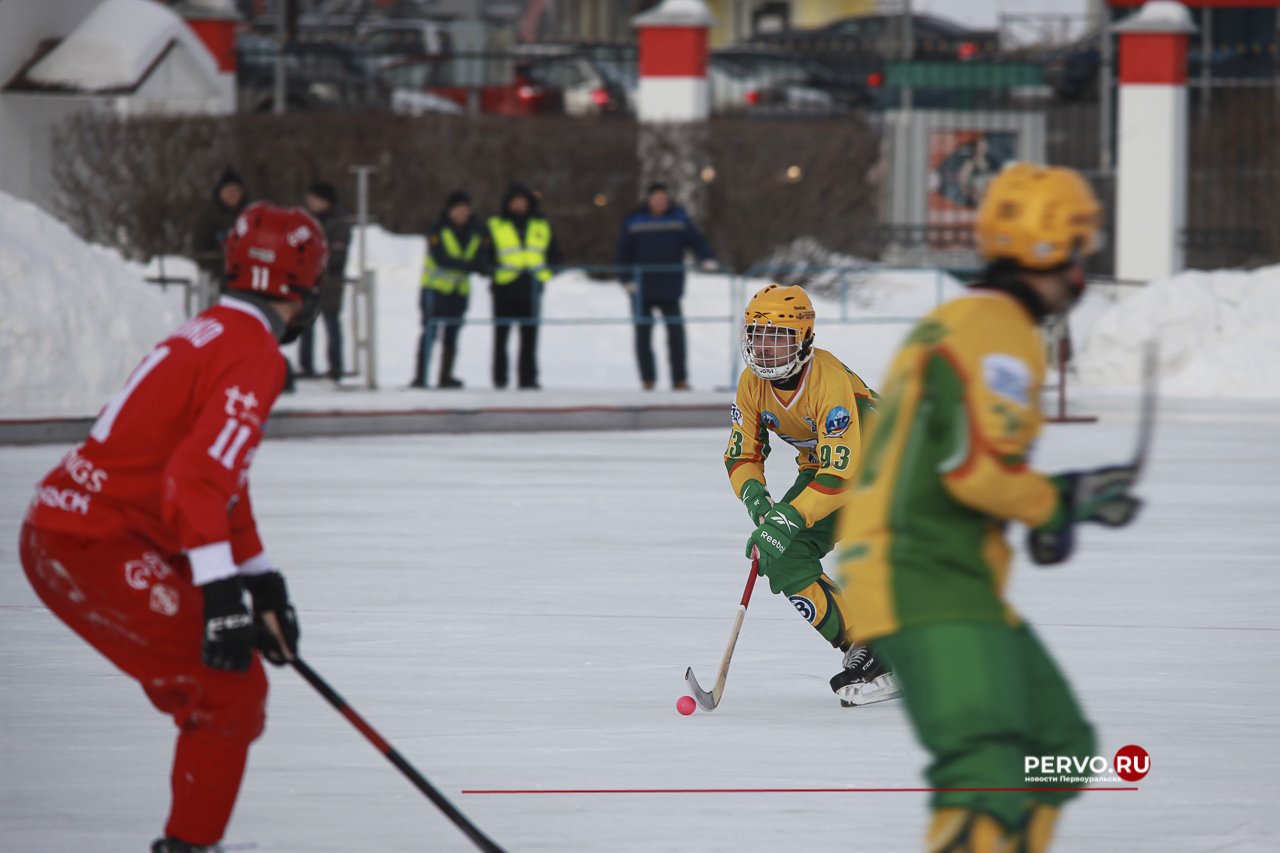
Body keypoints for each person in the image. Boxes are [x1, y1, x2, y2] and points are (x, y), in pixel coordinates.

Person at [837, 163, 1141, 852]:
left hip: (950, 573)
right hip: (925, 579)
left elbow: (959, 458)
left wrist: (1051, 506)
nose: (1081, 272)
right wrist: (1058, 503)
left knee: (1062, 744)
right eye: (1077, 251)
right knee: (989, 773)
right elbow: (977, 471)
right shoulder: (1000, 329)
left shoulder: (965, 320)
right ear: (1046, 251)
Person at [19, 202, 327, 853]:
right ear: (304, 288)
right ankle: (189, 846)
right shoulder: (257, 355)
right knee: (230, 692)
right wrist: (220, 594)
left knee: (229, 683)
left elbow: (221, 480)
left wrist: (259, 580)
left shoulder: (209, 330)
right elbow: (194, 480)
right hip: (91, 543)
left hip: (74, 532)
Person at [728, 283, 899, 707]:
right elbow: (741, 453)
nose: (765, 348)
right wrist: (759, 503)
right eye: (757, 335)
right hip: (831, 474)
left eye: (777, 337)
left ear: (804, 338)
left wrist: (787, 518)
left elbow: (843, 471)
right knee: (782, 556)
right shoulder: (751, 383)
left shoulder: (826, 379)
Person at [614, 183, 718, 390]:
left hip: (670, 287)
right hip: (641, 288)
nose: (660, 202)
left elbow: (696, 241)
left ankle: (679, 379)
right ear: (649, 200)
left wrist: (707, 258)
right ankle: (648, 380)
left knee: (676, 335)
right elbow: (622, 253)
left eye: (664, 198)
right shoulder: (634, 220)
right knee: (643, 336)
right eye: (656, 198)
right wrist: (627, 279)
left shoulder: (678, 218)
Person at [486, 182, 561, 390]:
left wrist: (544, 275)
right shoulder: (495, 225)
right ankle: (500, 378)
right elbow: (486, 254)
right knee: (501, 337)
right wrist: (491, 270)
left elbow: (554, 254)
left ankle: (528, 378)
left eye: (523, 201)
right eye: (515, 201)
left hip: (531, 288)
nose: (519, 205)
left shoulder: (541, 224)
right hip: (504, 287)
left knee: (529, 337)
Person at [412, 190, 487, 389]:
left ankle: (446, 375)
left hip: (459, 290)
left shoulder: (476, 231)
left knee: (453, 333)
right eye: (458, 209)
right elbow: (440, 257)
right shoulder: (437, 229)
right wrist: (470, 266)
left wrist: (482, 265)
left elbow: (482, 255)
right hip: (435, 289)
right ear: (450, 210)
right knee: (430, 330)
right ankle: (421, 376)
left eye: (466, 209)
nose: (463, 213)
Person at [298, 181, 351, 381]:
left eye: (315, 199)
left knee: (331, 324)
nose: (311, 203)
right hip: (308, 283)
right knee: (305, 324)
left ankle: (336, 367)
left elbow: (337, 256)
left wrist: (310, 258)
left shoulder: (338, 223)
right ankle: (306, 366)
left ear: (326, 202)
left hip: (330, 283)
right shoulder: (306, 222)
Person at [190, 166, 248, 284]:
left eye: (236, 190)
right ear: (220, 192)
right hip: (217, 276)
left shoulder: (249, 215)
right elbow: (200, 248)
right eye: (229, 190)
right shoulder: (208, 215)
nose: (232, 194)